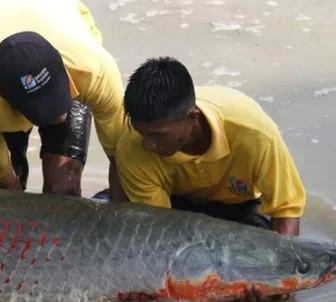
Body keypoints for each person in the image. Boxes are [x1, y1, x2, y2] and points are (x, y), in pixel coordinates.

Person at [114, 56, 306, 237]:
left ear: (192, 117)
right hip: (176, 204)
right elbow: (162, 229)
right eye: (142, 133)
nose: (148, 145)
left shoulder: (256, 135)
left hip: (241, 206)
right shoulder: (132, 148)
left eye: (159, 135)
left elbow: (285, 210)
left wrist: (285, 268)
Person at [0, 0, 128, 198]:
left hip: (56, 15)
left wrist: (121, 209)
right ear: (4, 96)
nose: (60, 116)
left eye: (56, 97)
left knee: (62, 189)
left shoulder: (95, 71)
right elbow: (5, 184)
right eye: (42, 108)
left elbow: (121, 158)